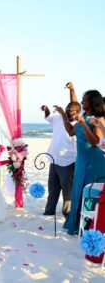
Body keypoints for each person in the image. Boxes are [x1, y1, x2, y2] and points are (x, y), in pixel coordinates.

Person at [56, 89, 105, 235]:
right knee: (78, 190)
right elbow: (71, 132)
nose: (82, 102)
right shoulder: (83, 115)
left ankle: (92, 226)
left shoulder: (99, 119)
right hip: (81, 159)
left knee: (91, 192)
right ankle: (76, 225)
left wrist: (84, 124)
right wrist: (63, 114)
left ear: (92, 102)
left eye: (84, 99)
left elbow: (95, 142)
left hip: (94, 162)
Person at [41, 100, 80, 217]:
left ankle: (67, 215)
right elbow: (49, 117)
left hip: (68, 161)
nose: (68, 112)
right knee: (53, 189)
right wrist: (46, 109)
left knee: (67, 192)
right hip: (54, 158)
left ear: (78, 112)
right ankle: (49, 211)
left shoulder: (77, 125)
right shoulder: (58, 118)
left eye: (71, 111)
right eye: (67, 109)